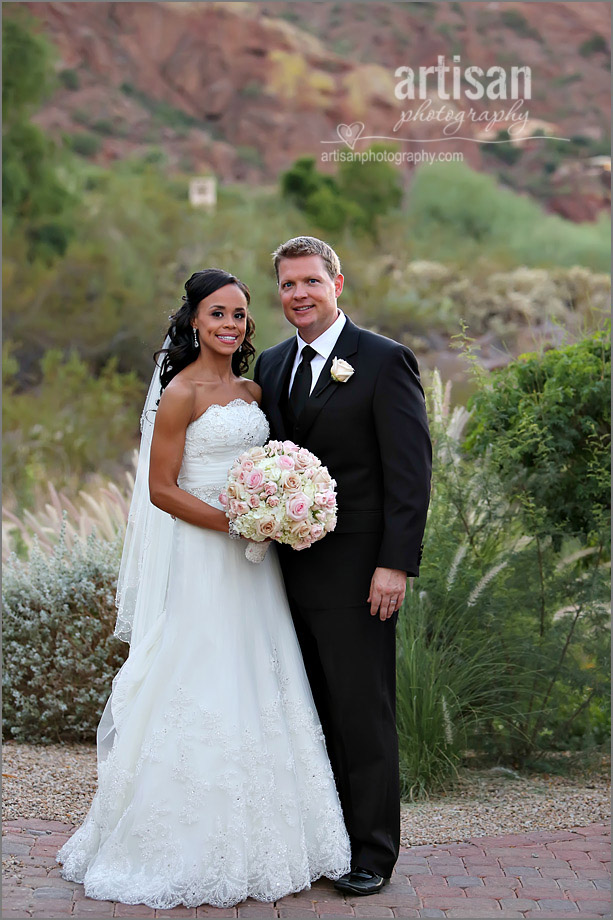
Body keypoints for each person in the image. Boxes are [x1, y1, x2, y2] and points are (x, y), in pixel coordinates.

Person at [56, 268, 351, 910]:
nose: (230, 325)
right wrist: (237, 522)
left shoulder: (253, 387)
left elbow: (266, 464)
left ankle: (277, 840)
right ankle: (178, 840)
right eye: (218, 314)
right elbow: (162, 488)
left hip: (257, 561)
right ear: (194, 320)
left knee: (263, 674)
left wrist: (282, 508)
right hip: (205, 553)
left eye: (240, 315)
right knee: (202, 673)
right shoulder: (181, 392)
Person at [254, 237, 432, 896]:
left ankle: (371, 854)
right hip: (278, 576)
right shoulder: (270, 365)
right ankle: (322, 841)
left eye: (308, 281)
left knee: (362, 712)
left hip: (359, 576)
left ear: (337, 284)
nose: (297, 294)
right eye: (286, 284)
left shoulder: (383, 362)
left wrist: (395, 564)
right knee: (305, 714)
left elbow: (409, 476)